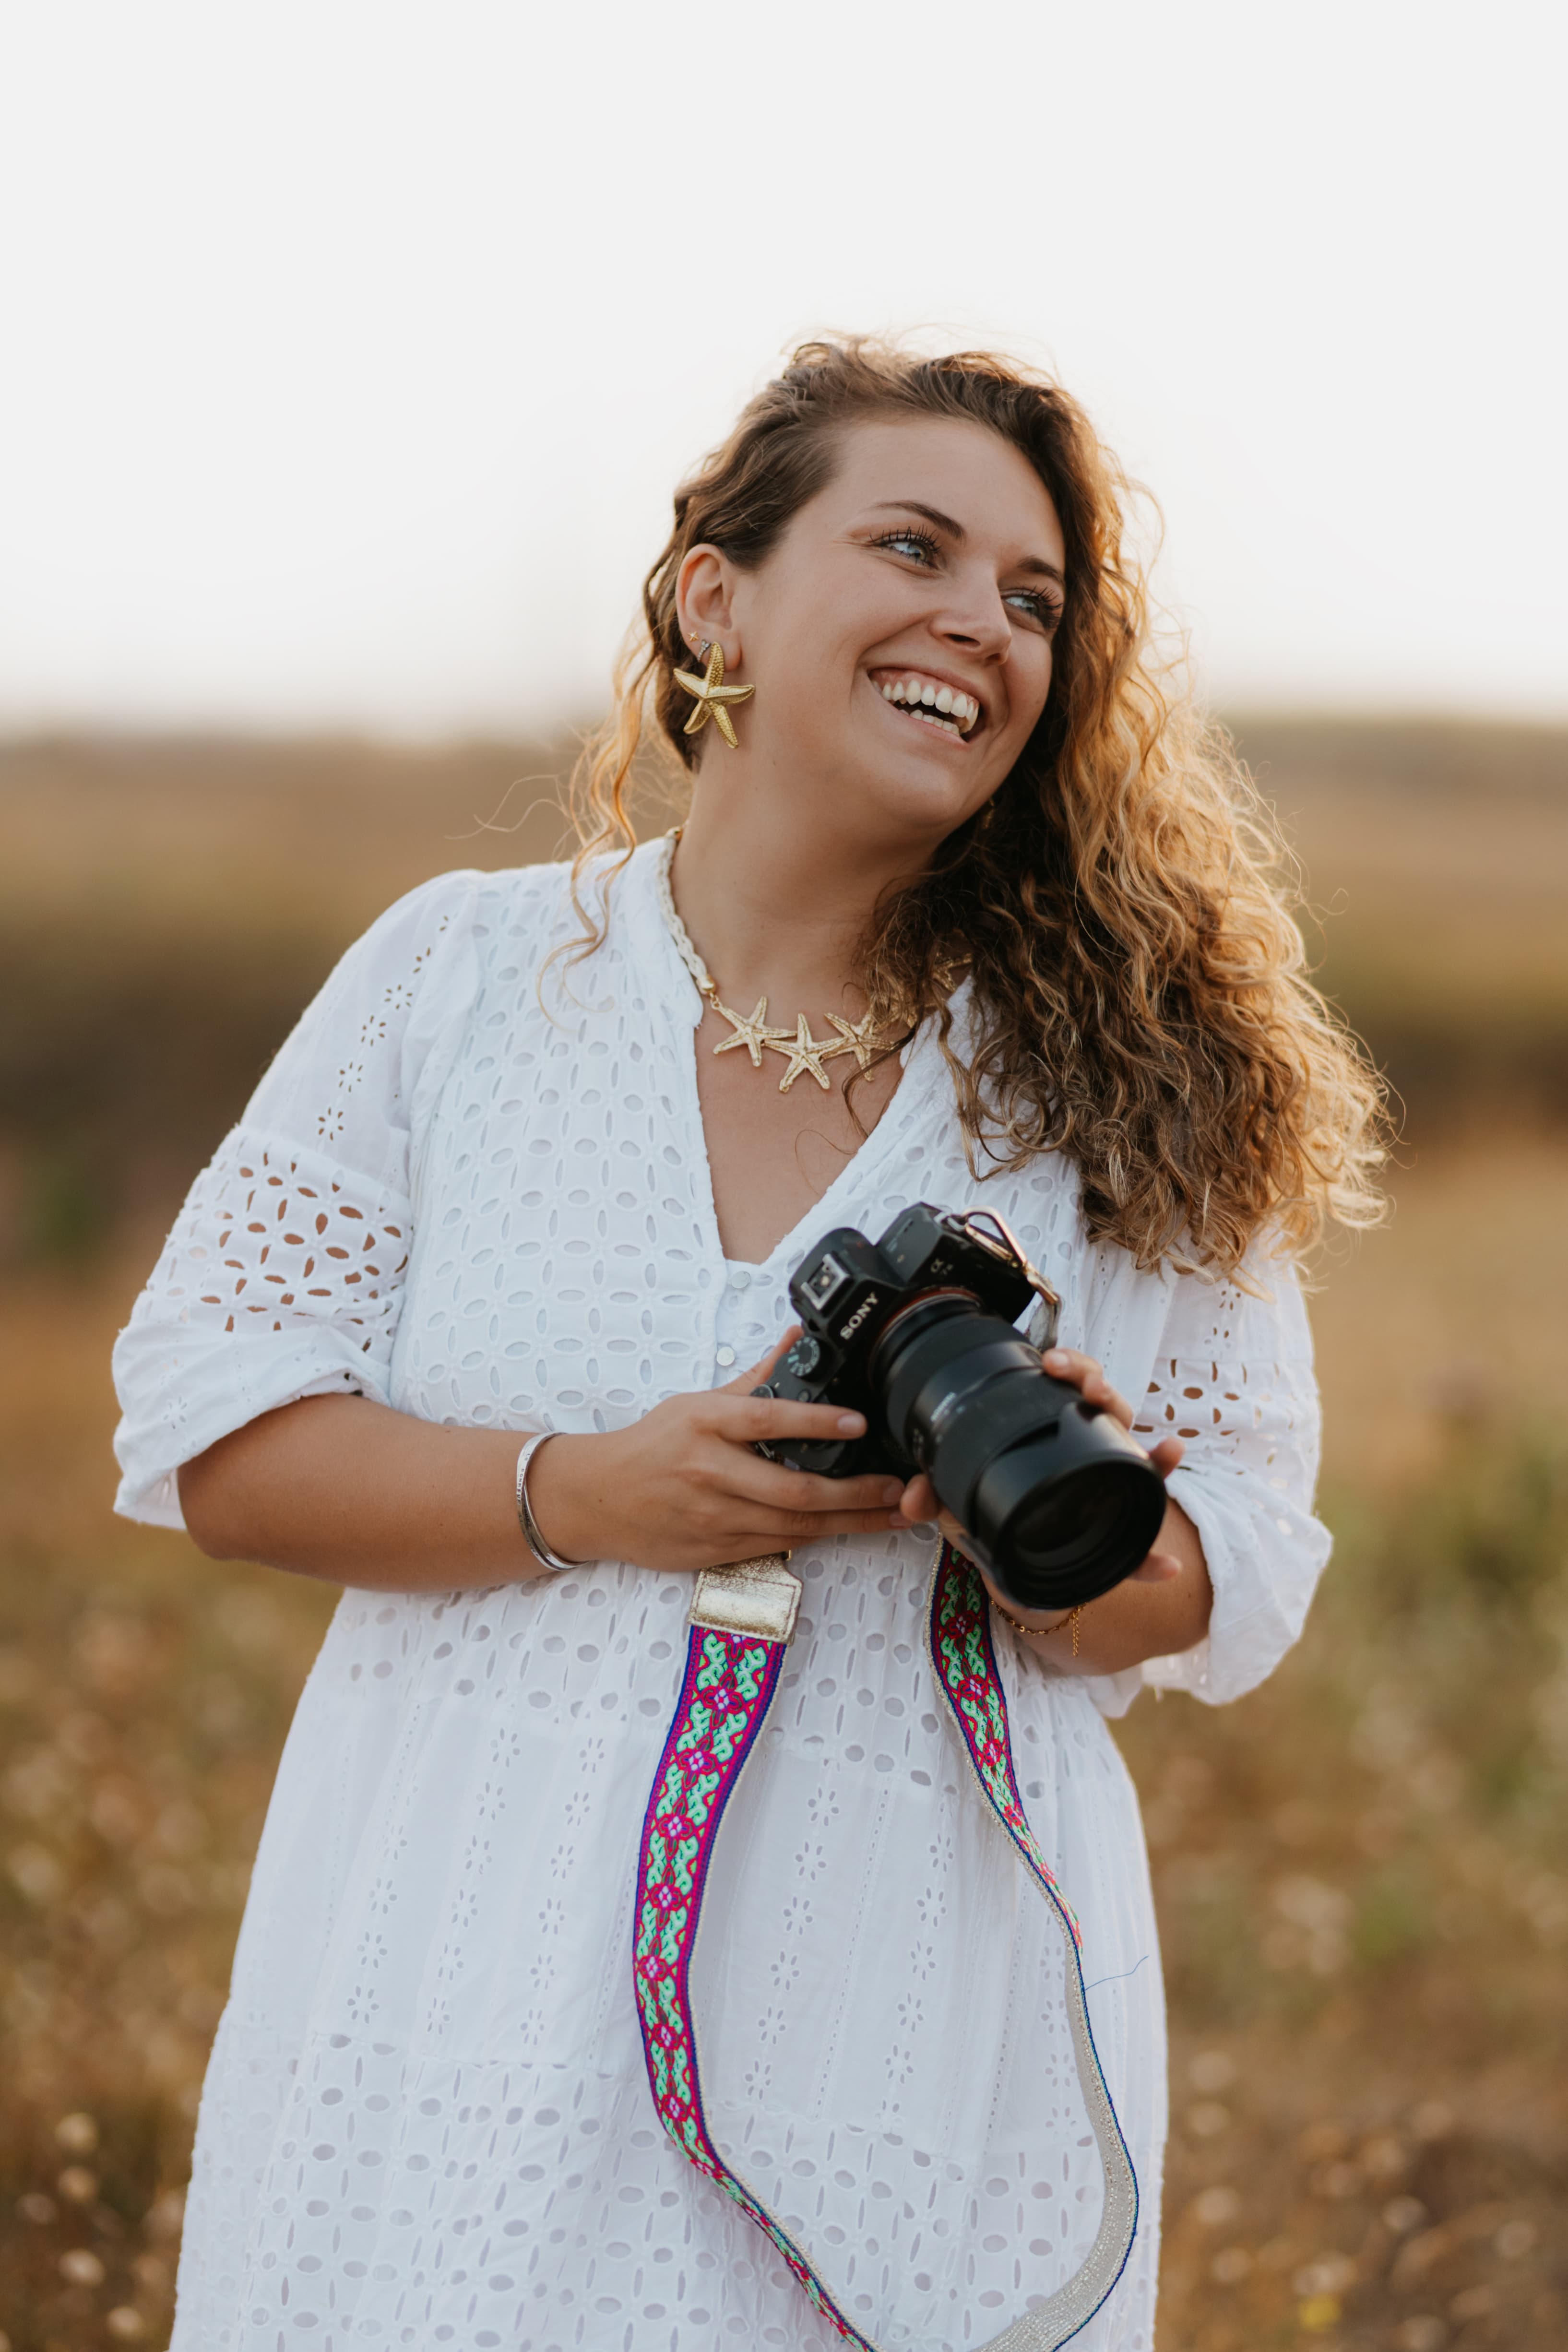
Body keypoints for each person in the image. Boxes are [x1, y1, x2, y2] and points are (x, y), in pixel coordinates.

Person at [112, 337, 1383, 2352]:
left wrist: (1071, 1517)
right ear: (719, 593)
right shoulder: (457, 975)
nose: (980, 618)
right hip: (448, 1967)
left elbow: (1233, 1567)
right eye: (913, 544)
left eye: (1035, 600)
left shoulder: (1131, 1085)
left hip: (900, 2011)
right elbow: (215, 1436)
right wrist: (574, 1489)